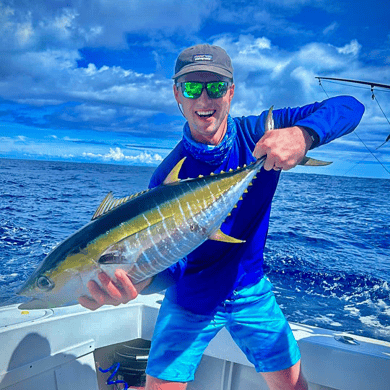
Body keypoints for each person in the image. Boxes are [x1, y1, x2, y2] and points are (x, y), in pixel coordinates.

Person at [79, 44, 365, 389]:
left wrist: (303, 135)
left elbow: (351, 106)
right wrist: (144, 280)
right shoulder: (166, 177)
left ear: (230, 92)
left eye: (215, 86)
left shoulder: (260, 132)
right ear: (177, 95)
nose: (204, 98)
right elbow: (174, 262)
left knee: (293, 387)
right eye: (191, 87)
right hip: (190, 298)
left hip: (250, 291)